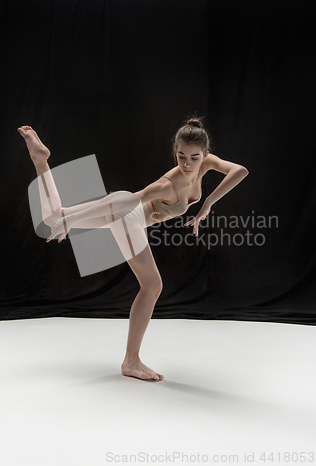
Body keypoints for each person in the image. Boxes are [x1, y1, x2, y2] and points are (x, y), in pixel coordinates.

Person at [18, 117, 248, 381]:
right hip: (128, 213)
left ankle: (40, 160)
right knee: (152, 285)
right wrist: (73, 221)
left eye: (194, 158)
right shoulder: (167, 183)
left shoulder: (206, 163)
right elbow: (130, 201)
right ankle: (131, 361)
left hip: (127, 214)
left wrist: (207, 204)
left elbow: (240, 171)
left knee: (50, 221)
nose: (187, 164)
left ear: (205, 155)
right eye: (181, 156)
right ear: (175, 151)